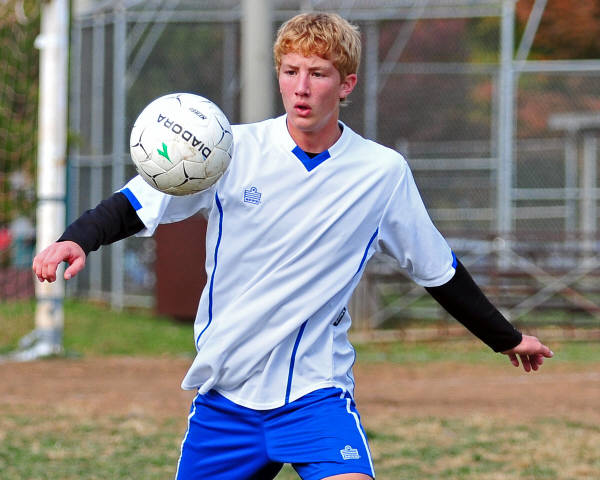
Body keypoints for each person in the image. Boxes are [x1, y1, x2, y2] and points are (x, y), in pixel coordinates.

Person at [33, 12, 553, 480]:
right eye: (290, 71)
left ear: (346, 83)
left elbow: (438, 269)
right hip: (226, 395)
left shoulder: (381, 173)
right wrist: (76, 239)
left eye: (318, 74)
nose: (301, 88)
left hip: (315, 393)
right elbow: (136, 203)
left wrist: (505, 337)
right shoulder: (228, 150)